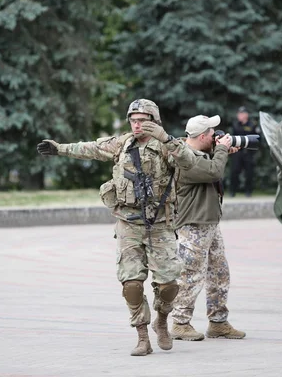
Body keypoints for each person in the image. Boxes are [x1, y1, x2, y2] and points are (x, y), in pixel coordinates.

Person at [37, 99, 196, 356]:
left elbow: (190, 163)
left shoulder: (168, 145)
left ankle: (162, 322)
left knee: (168, 285)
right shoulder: (122, 144)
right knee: (131, 283)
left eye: (142, 120)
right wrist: (59, 148)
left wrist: (166, 139)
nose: (136, 124)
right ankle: (142, 336)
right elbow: (89, 148)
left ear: (154, 120)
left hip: (160, 224)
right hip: (128, 223)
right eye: (133, 120)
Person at [170, 114, 246, 341]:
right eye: (213, 133)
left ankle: (218, 322)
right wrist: (222, 151)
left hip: (209, 223)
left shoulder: (200, 154)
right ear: (202, 136)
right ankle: (180, 323)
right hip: (193, 225)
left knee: (219, 273)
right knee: (190, 275)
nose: (217, 136)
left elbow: (209, 166)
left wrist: (221, 153)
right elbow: (212, 172)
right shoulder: (184, 157)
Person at [229, 106, 260, 197]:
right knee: (234, 171)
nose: (240, 116)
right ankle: (232, 191)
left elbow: (257, 138)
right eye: (239, 114)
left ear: (246, 115)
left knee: (249, 172)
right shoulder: (235, 125)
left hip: (248, 152)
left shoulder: (252, 125)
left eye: (242, 114)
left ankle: (248, 191)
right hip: (237, 152)